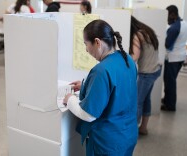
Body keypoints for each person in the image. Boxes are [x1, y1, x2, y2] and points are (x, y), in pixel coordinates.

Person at [63, 20, 138, 155]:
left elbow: (88, 115)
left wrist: (69, 100)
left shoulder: (101, 70)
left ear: (97, 42)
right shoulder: (127, 59)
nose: (86, 50)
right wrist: (87, 86)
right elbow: (119, 89)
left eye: (86, 44)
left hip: (106, 143)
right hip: (127, 135)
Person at [129, 16, 161, 135]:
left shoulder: (137, 35)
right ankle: (143, 128)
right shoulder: (147, 30)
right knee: (145, 99)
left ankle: (132, 131)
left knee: (137, 101)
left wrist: (122, 62)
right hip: (155, 69)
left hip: (147, 73)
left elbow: (135, 56)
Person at [161, 5, 187, 111]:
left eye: (167, 16)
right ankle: (167, 99)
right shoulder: (184, 24)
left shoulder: (174, 28)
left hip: (173, 58)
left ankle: (170, 106)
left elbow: (167, 45)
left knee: (170, 82)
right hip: (181, 56)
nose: (167, 19)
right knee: (170, 81)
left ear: (173, 15)